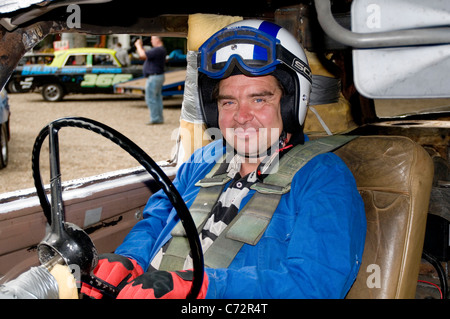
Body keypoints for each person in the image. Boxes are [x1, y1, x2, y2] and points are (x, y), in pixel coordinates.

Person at [81, 20, 366, 299]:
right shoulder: (202, 160)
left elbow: (316, 285)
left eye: (259, 99)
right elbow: (157, 218)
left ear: (291, 102)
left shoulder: (323, 177)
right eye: (228, 102)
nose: (241, 117)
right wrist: (130, 258)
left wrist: (206, 288)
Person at [135, 36, 166, 124]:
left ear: (157, 40)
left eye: (152, 39)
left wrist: (138, 45)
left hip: (154, 77)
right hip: (157, 76)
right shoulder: (160, 50)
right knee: (157, 98)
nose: (151, 41)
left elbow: (142, 55)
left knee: (150, 98)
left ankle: (155, 118)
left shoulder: (158, 50)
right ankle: (159, 117)